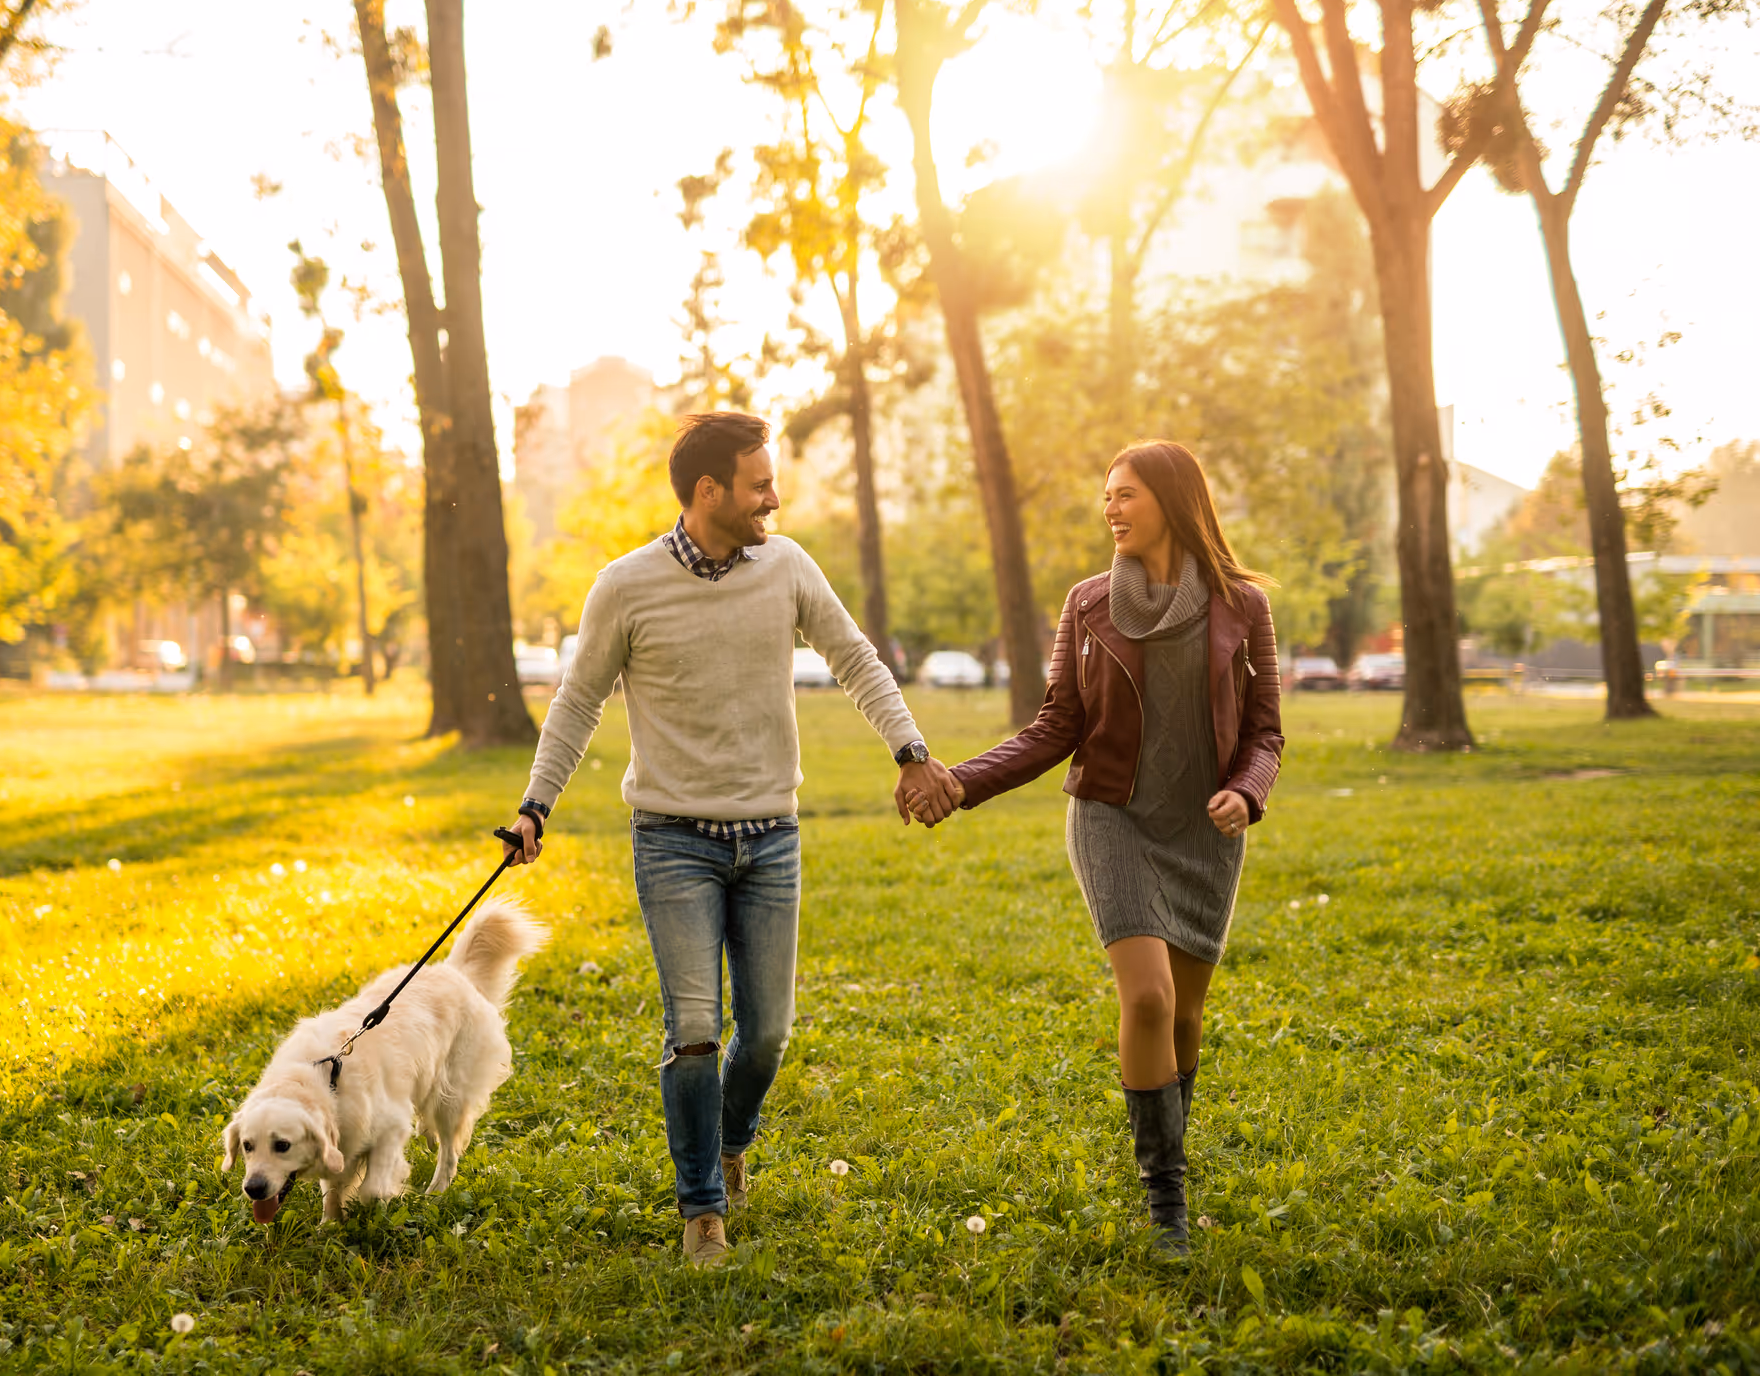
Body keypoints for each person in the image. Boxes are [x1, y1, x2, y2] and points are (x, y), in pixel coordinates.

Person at [504, 411, 961, 1267]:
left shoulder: (785, 566)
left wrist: (910, 753)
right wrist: (537, 804)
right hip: (672, 838)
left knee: (770, 1032)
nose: (773, 498)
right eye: (759, 485)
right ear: (707, 491)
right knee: (693, 1031)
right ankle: (702, 1212)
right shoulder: (625, 585)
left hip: (771, 839)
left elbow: (856, 659)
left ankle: (730, 1134)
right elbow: (576, 702)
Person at [903, 440, 1283, 1253]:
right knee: (1144, 998)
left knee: (1184, 1013)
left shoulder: (1241, 604)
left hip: (1203, 829)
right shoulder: (1087, 603)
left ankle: (1171, 1160)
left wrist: (1246, 792)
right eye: (1106, 496)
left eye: (1126, 495)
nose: (1110, 508)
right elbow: (1056, 727)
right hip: (1110, 816)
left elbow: (1265, 732)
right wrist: (960, 782)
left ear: (1173, 501)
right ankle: (1166, 1200)